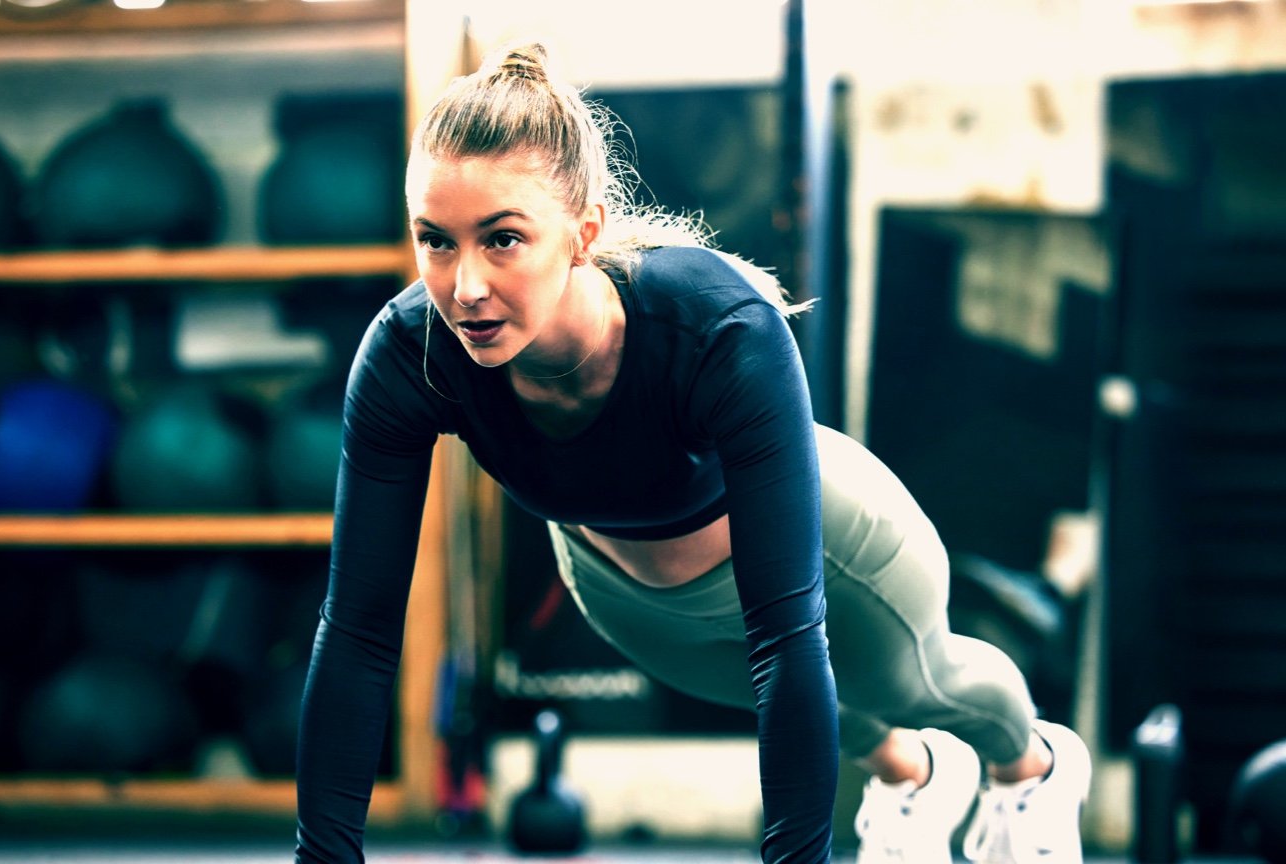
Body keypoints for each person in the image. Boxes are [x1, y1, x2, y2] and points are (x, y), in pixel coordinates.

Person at [294, 41, 1091, 864]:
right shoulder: (409, 356)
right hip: (623, 584)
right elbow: (358, 632)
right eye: (436, 241)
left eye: (501, 239)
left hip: (830, 537)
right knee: (804, 699)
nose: (464, 285)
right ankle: (913, 777)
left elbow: (787, 629)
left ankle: (1031, 767)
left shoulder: (716, 325)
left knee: (913, 685)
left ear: (582, 232)